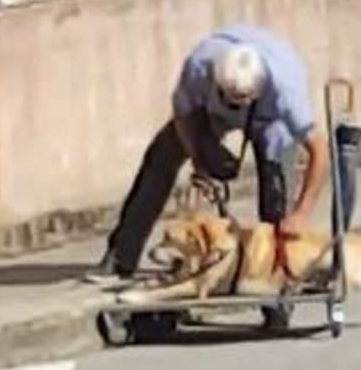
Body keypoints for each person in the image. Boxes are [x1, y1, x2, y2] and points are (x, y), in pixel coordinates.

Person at [85, 24, 330, 327]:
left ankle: (275, 294)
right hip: (209, 113)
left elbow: (320, 152)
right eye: (229, 97)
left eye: (241, 99)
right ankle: (121, 257)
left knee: (277, 196)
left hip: (271, 121)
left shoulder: (286, 91)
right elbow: (183, 115)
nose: (235, 105)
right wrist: (200, 162)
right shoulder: (200, 67)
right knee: (162, 156)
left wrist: (302, 213)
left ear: (256, 92)